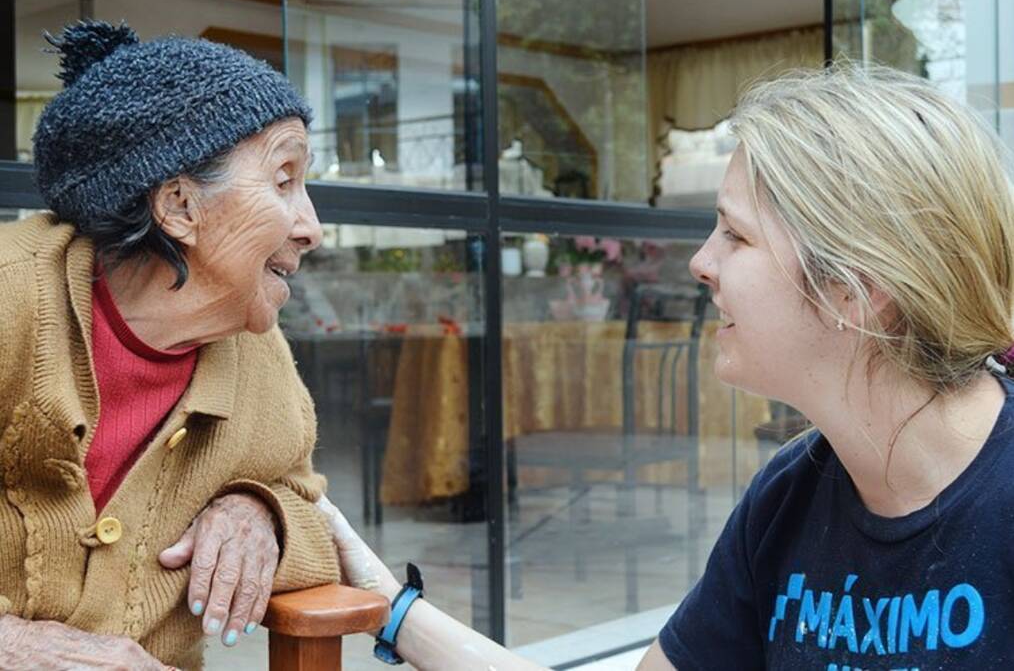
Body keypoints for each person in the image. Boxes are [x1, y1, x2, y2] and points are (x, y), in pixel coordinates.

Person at [326, 62, 1014, 669]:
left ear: (856, 287)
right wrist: (392, 608)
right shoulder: (789, 498)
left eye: (735, 235)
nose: (700, 263)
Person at [0, 21, 339, 669]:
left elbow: (310, 507)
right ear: (179, 205)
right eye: (283, 179)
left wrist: (257, 512)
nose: (311, 228)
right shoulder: (12, 300)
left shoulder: (255, 351)